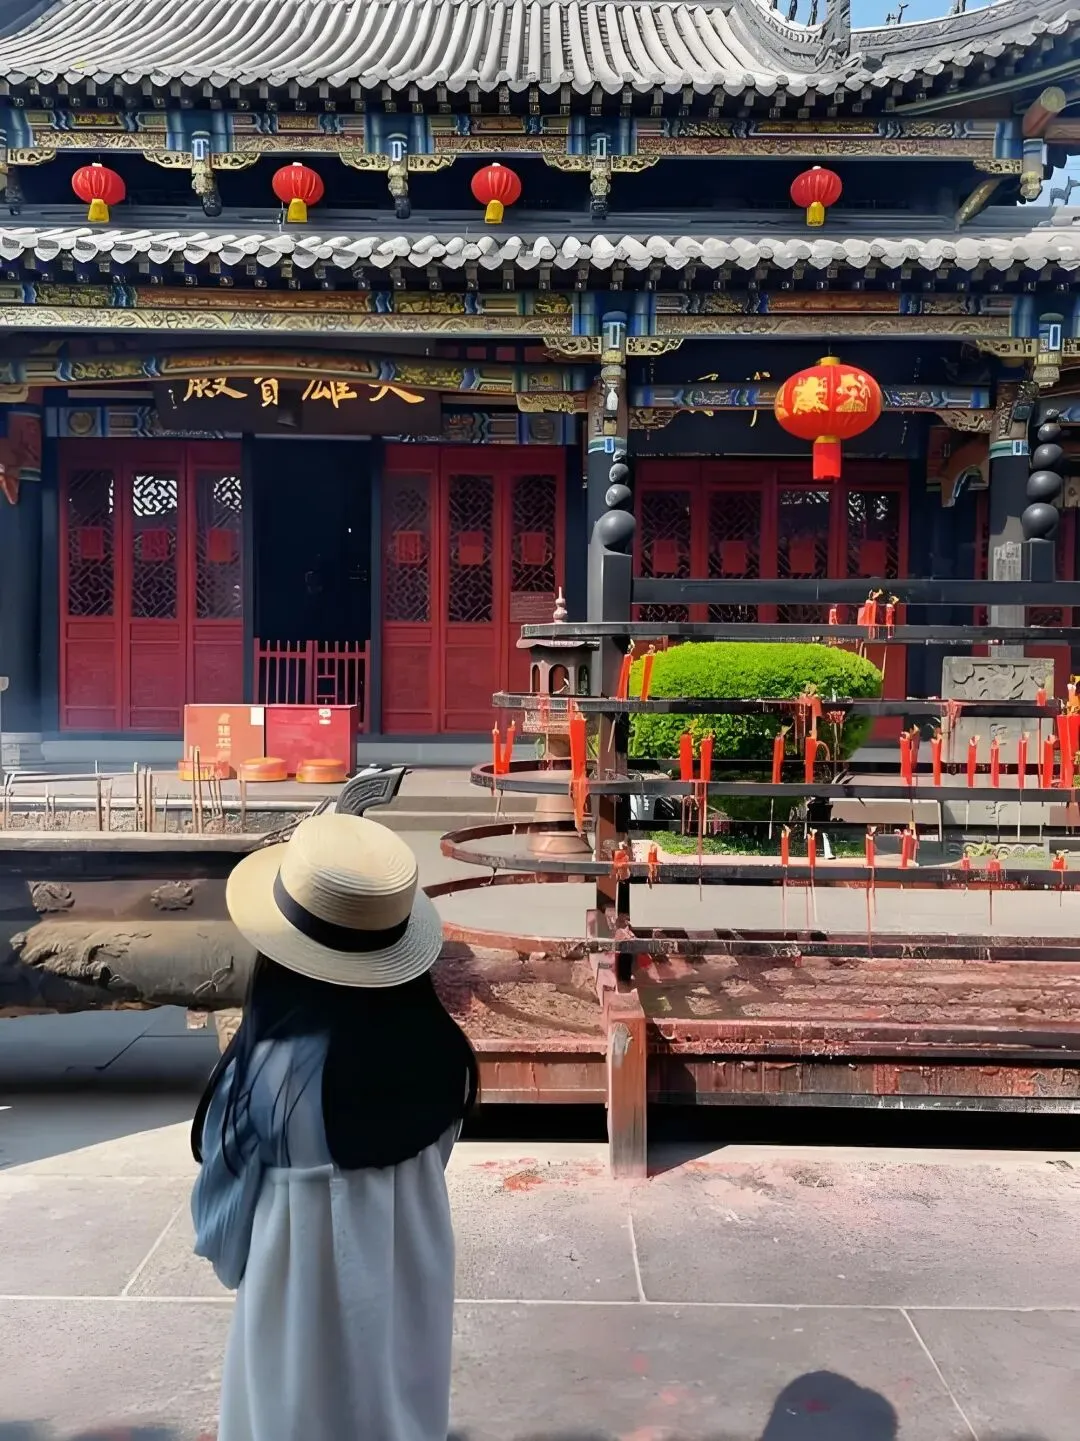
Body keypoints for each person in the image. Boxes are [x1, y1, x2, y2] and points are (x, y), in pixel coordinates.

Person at [190, 813, 477, 1441]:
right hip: (410, 1294)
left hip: (294, 1314)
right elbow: (430, 1161)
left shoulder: (268, 1073)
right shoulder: (444, 1056)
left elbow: (223, 1225)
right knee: (400, 1411)